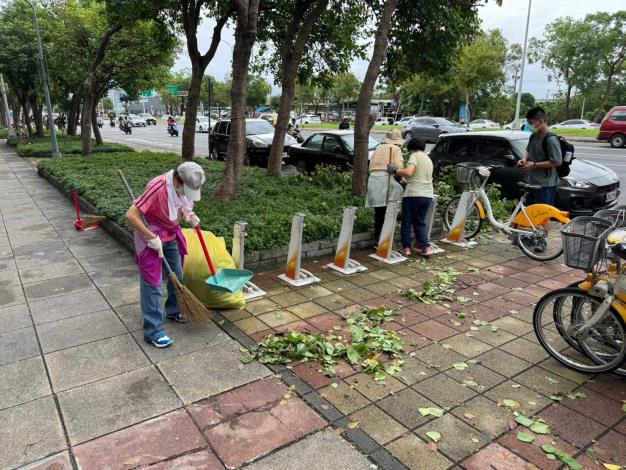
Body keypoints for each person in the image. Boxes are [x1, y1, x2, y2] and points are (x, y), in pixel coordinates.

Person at [125, 162, 206, 348]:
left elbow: (182, 205)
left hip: (170, 236)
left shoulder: (177, 189)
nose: (187, 195)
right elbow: (131, 215)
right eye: (186, 189)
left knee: (177, 275)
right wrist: (151, 238)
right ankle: (154, 331)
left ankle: (173, 309)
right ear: (178, 180)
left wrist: (190, 216)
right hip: (150, 237)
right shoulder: (158, 187)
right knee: (153, 284)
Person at [517, 106, 562, 250]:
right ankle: (531, 237)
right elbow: (528, 151)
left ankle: (542, 241)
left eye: (531, 122)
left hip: (545, 183)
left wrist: (534, 165)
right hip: (532, 181)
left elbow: (557, 161)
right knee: (531, 212)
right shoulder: (533, 136)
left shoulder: (551, 140)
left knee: (543, 214)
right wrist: (524, 160)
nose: (529, 126)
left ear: (540, 121)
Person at [388, 137, 434, 257]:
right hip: (428, 195)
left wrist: (396, 170)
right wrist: (402, 178)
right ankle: (426, 247)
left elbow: (409, 172)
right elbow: (414, 176)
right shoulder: (428, 159)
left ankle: (407, 248)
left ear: (410, 148)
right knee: (419, 222)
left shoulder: (415, 156)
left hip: (413, 194)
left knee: (407, 222)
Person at [366, 129, 405, 247]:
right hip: (386, 181)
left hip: (374, 181)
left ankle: (377, 240)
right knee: (390, 210)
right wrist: (402, 178)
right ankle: (384, 241)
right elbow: (399, 166)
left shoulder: (378, 148)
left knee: (379, 213)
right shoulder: (396, 149)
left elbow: (370, 165)